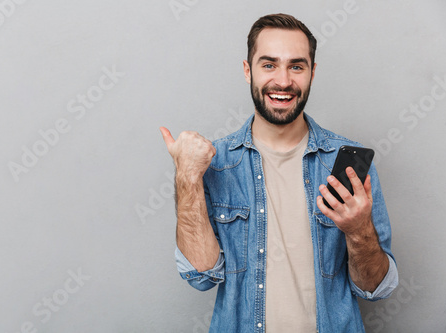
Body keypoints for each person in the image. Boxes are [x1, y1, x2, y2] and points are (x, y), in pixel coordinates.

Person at [160, 13, 398, 333]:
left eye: (296, 66)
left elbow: (376, 288)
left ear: (312, 73)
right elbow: (201, 276)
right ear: (248, 71)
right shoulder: (214, 164)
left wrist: (358, 230)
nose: (283, 81)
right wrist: (187, 177)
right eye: (269, 65)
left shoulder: (348, 165)